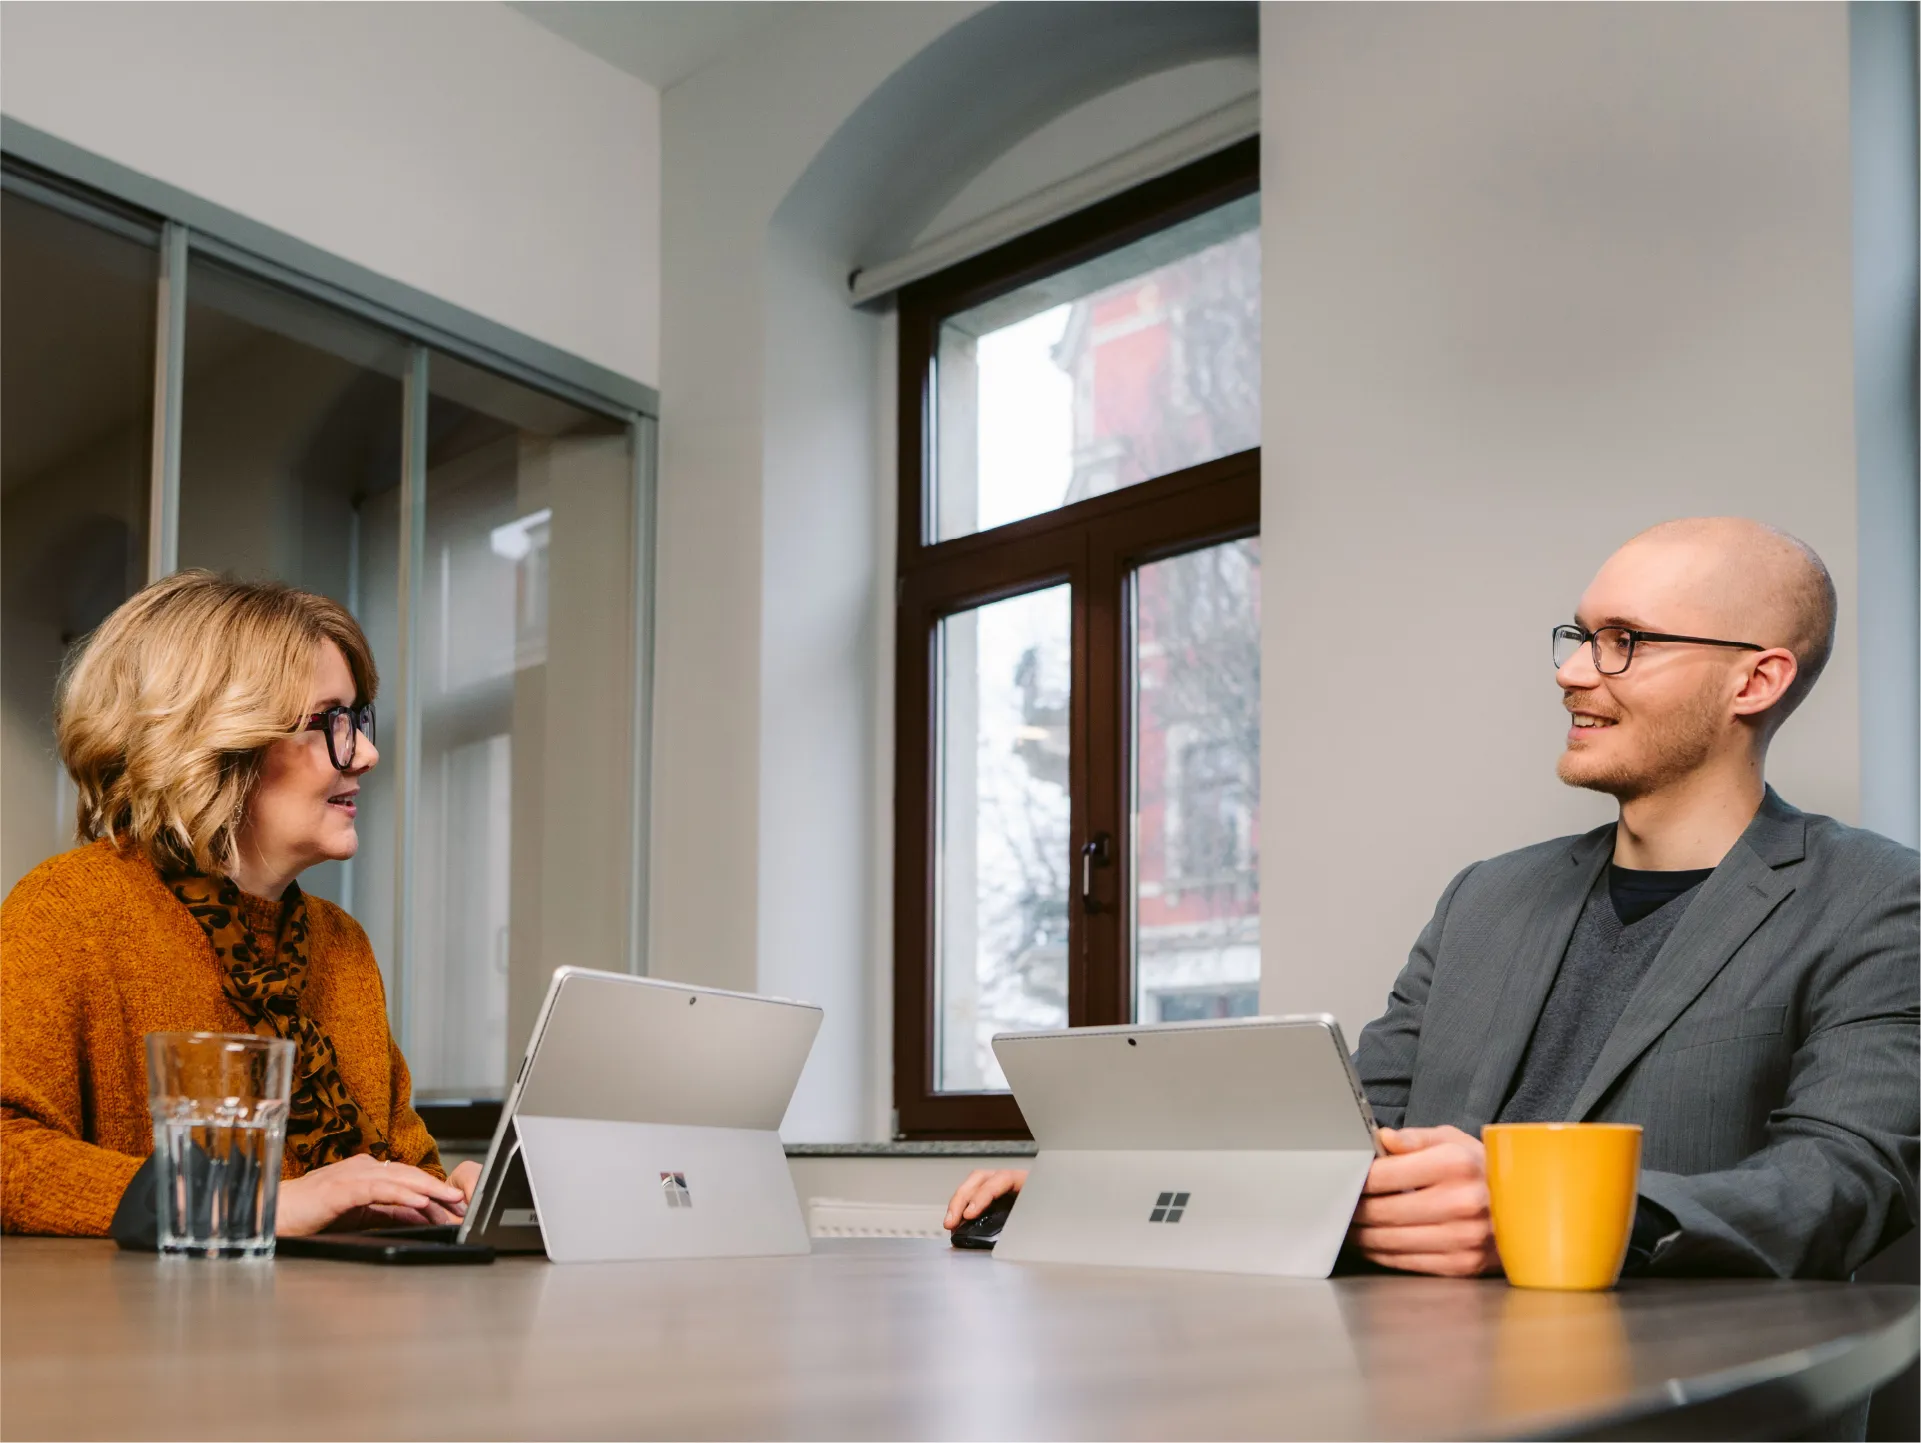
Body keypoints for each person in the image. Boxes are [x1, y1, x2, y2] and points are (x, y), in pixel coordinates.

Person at [945, 518, 1919, 1282]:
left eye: (1625, 641)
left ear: (1755, 677)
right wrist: (1116, 1189)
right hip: (1419, 1381)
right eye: (1580, 635)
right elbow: (1347, 1137)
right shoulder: (1486, 900)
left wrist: (1547, 1215)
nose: (1572, 669)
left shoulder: (1873, 901)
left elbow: (1845, 1182)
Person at [2, 571, 473, 1236]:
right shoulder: (68, 910)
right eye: (331, 722)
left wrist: (450, 1191)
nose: (365, 753)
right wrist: (246, 1201)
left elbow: (393, 1164)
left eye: (359, 719)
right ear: (218, 741)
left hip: (335, 1329)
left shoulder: (342, 944)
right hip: (139, 1331)